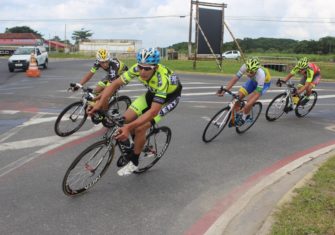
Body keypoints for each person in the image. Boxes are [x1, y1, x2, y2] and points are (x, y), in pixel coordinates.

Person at [88, 48, 182, 176]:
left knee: (139, 128)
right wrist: (99, 103)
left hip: (169, 99)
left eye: (147, 68)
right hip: (151, 93)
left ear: (155, 67)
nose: (142, 71)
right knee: (124, 120)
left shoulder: (162, 79)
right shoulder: (136, 69)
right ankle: (133, 144)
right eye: (141, 67)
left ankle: (134, 161)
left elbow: (153, 111)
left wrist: (129, 128)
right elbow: (115, 84)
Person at [217, 57, 271, 126]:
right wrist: (225, 90)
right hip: (253, 81)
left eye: (251, 72)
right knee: (237, 98)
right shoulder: (245, 66)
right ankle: (239, 114)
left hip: (264, 84)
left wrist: (247, 105)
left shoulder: (261, 74)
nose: (248, 74)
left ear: (256, 70)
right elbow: (235, 78)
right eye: (247, 71)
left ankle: (244, 118)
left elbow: (257, 94)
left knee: (249, 102)